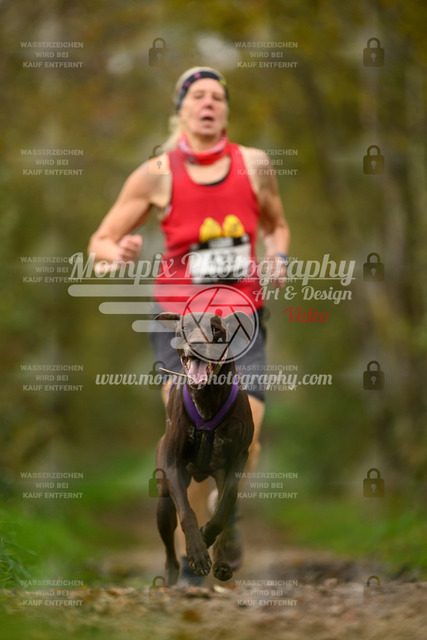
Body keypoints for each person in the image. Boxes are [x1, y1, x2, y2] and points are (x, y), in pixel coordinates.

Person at [88, 66, 290, 582]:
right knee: (190, 436)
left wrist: (278, 256)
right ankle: (196, 559)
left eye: (218, 97)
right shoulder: (156, 172)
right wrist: (116, 252)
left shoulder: (254, 164)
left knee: (248, 434)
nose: (208, 103)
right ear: (180, 109)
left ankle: (229, 506)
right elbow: (100, 242)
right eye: (197, 95)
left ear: (226, 110)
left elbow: (277, 224)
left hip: (241, 319)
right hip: (182, 324)